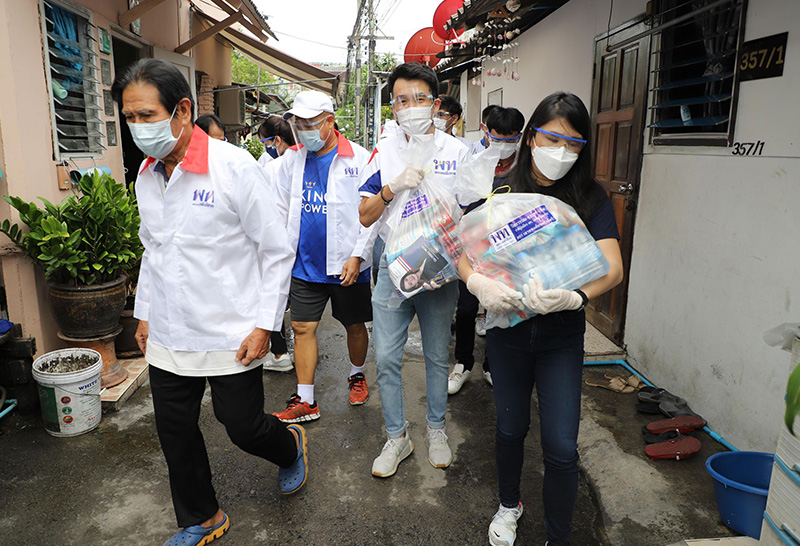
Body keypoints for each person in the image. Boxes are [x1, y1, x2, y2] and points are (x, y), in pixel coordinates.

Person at [111, 59, 309, 546]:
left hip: (230, 327)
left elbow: (275, 250)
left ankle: (288, 447)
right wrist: (144, 313)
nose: (137, 127)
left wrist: (265, 325)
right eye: (129, 117)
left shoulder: (233, 167)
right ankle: (203, 516)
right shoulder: (146, 175)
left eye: (146, 115)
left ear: (182, 110)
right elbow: (154, 248)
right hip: (170, 329)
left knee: (242, 427)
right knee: (174, 429)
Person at [458, 92, 623, 546]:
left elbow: (613, 268)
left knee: (562, 447)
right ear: (531, 137)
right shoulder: (500, 188)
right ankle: (509, 505)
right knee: (510, 429)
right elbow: (464, 251)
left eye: (574, 144)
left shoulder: (589, 197)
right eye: (553, 139)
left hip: (560, 337)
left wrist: (575, 297)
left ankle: (559, 536)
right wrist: (478, 284)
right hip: (507, 333)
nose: (562, 152)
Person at [359, 62, 470, 478]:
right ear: (393, 107)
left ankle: (437, 430)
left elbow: (475, 213)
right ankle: (396, 436)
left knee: (437, 355)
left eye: (419, 98)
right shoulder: (384, 152)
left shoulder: (457, 152)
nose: (411, 107)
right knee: (386, 355)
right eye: (402, 100)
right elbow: (365, 215)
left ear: (435, 104)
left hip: (440, 265)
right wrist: (392, 187)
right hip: (393, 264)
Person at [270, 90, 375, 423]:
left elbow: (371, 216)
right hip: (304, 263)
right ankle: (306, 400)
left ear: (330, 121)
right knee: (302, 327)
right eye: (298, 124)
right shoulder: (291, 160)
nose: (303, 131)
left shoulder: (359, 158)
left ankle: (357, 374)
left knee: (354, 325)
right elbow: (279, 208)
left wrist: (358, 256)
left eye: (310, 123)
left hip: (347, 264)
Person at [449, 106, 526, 395]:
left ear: (520, 136)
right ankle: (463, 363)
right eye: (498, 138)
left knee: (500, 309)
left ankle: (492, 365)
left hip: (510, 249)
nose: (504, 145)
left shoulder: (526, 166)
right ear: (486, 132)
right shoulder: (473, 163)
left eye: (511, 139)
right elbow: (459, 203)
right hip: (473, 247)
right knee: (467, 309)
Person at [255, 116, 297, 373]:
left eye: (266, 142)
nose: (266, 148)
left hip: (277, 241)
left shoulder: (272, 167)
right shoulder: (305, 161)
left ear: (278, 140)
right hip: (302, 245)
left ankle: (279, 353)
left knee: (273, 295)